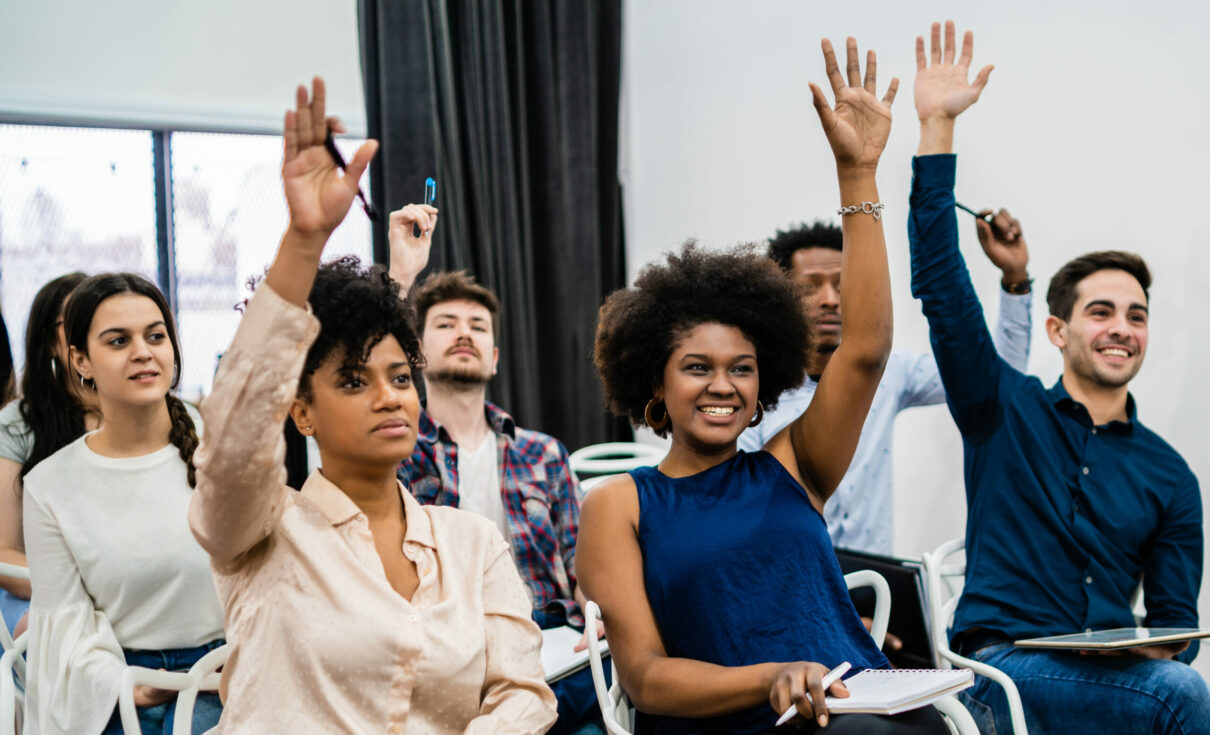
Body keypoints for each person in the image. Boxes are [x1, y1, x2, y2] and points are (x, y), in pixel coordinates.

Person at [579, 38, 948, 735]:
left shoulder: (791, 465)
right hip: (741, 721)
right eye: (698, 366)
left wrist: (858, 174)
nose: (723, 385)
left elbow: (865, 351)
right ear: (654, 380)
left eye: (742, 368)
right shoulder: (618, 505)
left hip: (858, 707)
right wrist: (774, 678)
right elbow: (647, 678)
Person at [188, 77, 556, 733]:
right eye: (355, 381)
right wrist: (304, 242)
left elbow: (524, 694)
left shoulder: (472, 546)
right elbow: (235, 437)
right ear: (300, 411)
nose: (389, 394)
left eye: (400, 377)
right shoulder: (260, 532)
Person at [908, 21, 1208, 734]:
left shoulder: (1170, 474)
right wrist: (937, 128)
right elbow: (943, 289)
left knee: (1175, 684)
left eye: (1135, 315)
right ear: (1058, 330)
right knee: (1181, 700)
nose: (1121, 328)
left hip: (1109, 677)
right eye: (1100, 311)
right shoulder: (999, 408)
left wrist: (1154, 641)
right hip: (997, 669)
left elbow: (1175, 627)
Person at [738, 216, 1031, 555]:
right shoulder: (752, 388)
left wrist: (1015, 279)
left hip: (875, 584)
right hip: (788, 579)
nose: (830, 299)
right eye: (809, 287)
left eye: (841, 283)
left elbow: (993, 376)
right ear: (779, 298)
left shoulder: (888, 373)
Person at [390, 248, 593, 733]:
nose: (464, 333)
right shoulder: (395, 453)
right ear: (415, 352)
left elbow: (582, 564)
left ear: (495, 357)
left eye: (478, 326)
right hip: (450, 651)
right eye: (445, 324)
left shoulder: (544, 454)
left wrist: (599, 615)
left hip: (553, 644)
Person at [22, 272, 221, 734]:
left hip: (231, 673)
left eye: (155, 336)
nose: (143, 352)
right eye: (118, 341)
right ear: (80, 360)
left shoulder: (220, 449)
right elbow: (64, 629)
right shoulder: (50, 485)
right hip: (121, 686)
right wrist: (130, 688)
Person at [0, 272, 100, 637]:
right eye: (75, 320)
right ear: (50, 343)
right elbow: (3, 552)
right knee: (48, 635)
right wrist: (84, 592)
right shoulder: (17, 424)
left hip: (125, 590)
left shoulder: (137, 415)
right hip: (37, 593)